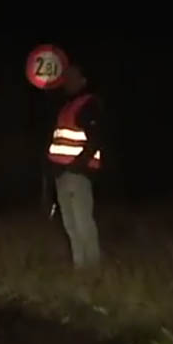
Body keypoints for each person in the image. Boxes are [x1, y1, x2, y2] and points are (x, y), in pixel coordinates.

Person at [47, 65, 104, 268]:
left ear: (83, 81)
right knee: (70, 224)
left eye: (72, 77)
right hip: (63, 174)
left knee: (82, 222)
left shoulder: (88, 104)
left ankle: (92, 266)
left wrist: (77, 166)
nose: (67, 81)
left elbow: (95, 139)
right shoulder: (68, 106)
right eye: (66, 78)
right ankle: (81, 267)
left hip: (76, 174)